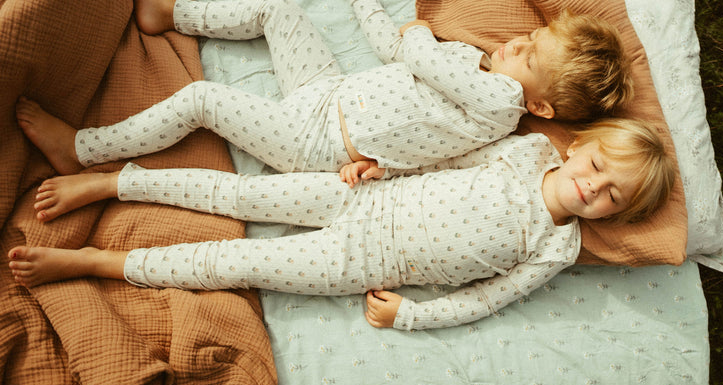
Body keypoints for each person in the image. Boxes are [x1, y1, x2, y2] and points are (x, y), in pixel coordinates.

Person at [15, 0, 632, 188]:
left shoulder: (499, 103)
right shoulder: (474, 65)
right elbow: (392, 51)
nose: (515, 42)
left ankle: (83, 148)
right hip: (328, 92)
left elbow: (409, 51)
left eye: (529, 55)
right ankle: (170, 13)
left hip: (314, 141)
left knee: (203, 98)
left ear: (540, 106)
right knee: (280, 9)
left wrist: (419, 33)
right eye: (529, 36)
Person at [9, 118, 674, 331]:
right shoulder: (526, 151)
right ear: (577, 146)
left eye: (612, 197)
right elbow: (448, 155)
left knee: (238, 264)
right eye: (598, 166)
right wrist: (379, 164)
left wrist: (412, 316)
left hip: (366, 264)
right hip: (364, 198)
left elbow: (488, 300)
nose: (594, 187)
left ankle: (99, 263)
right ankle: (115, 180)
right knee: (239, 195)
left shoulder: (558, 246)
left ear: (618, 215)